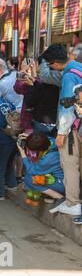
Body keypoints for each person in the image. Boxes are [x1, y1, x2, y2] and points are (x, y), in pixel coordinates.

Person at [41, 44, 82, 216]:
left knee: (70, 163)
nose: (51, 68)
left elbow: (66, 108)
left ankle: (73, 202)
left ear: (56, 63)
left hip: (74, 127)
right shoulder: (78, 68)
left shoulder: (68, 78)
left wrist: (61, 134)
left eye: (50, 65)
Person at [17, 132, 64, 202]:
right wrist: (32, 138)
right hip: (61, 177)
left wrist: (22, 152)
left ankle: (60, 198)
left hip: (61, 183)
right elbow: (42, 139)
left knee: (30, 179)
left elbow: (31, 170)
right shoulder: (53, 141)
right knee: (30, 180)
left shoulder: (48, 159)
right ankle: (45, 195)